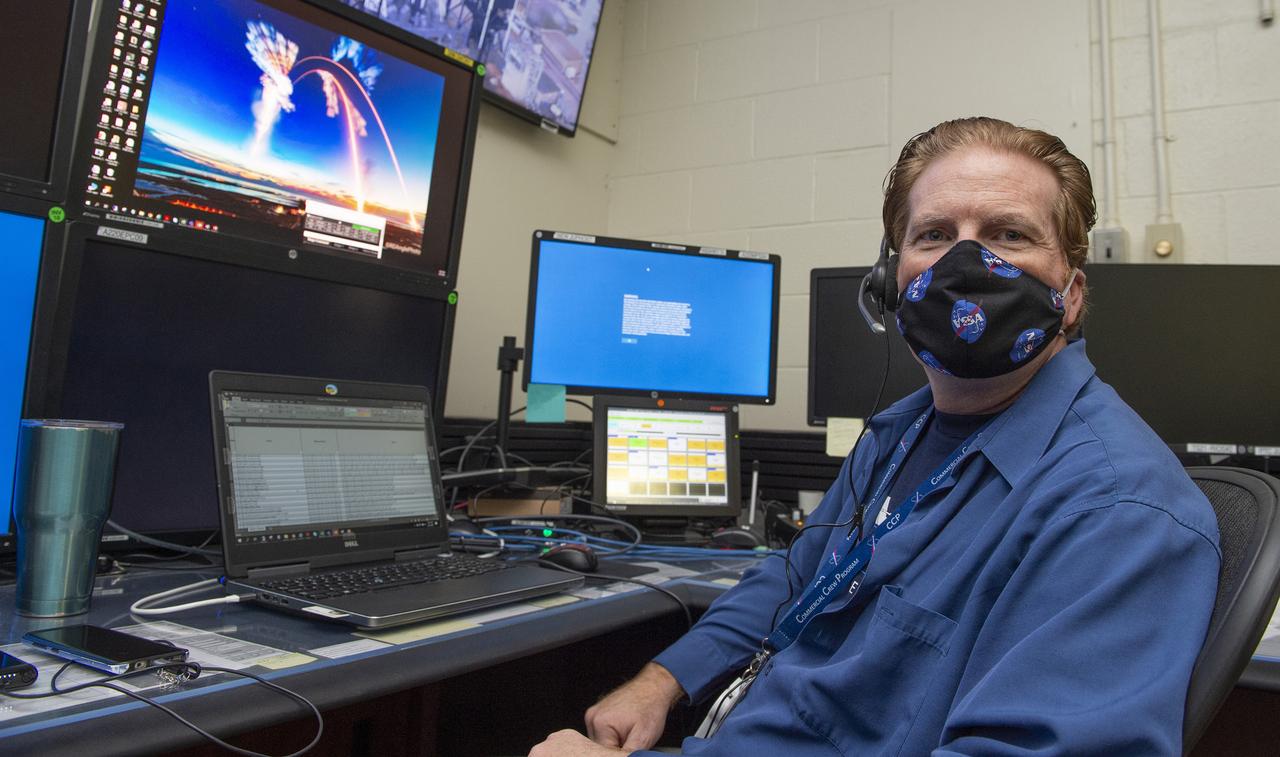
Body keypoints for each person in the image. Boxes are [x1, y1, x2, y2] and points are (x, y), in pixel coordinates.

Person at [529, 117, 1220, 756]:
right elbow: (795, 576)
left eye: (1008, 234)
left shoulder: (1116, 508)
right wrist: (665, 677)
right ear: (892, 281)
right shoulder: (899, 433)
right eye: (934, 235)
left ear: (1069, 293)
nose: (966, 264)